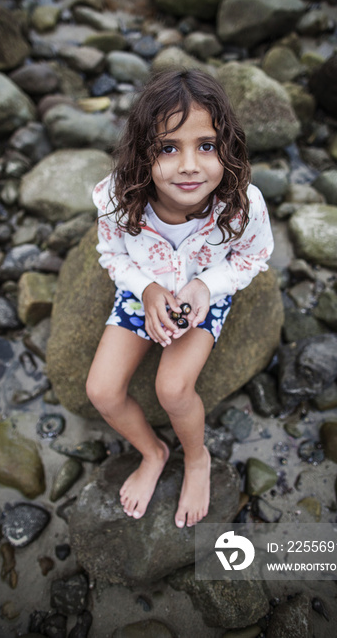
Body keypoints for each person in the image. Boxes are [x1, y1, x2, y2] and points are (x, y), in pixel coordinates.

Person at [86, 69, 274, 529]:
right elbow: (110, 253)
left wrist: (209, 286)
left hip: (204, 290)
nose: (189, 165)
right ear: (141, 153)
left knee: (172, 388)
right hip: (142, 290)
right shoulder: (118, 197)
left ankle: (197, 457)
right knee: (101, 391)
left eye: (206, 145)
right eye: (169, 147)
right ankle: (153, 451)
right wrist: (147, 290)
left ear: (226, 148)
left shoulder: (242, 205)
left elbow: (255, 257)